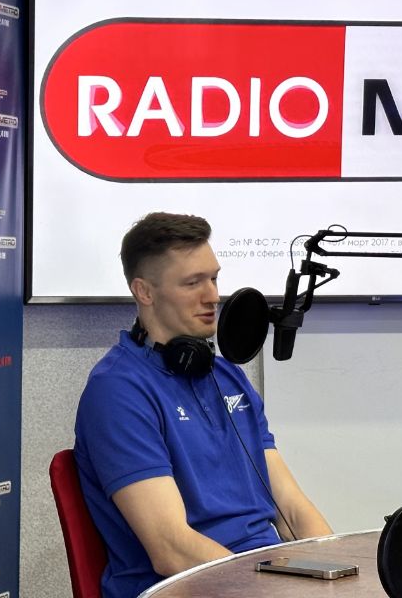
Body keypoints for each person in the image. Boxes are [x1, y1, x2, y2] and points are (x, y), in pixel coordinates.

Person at [74, 212, 332, 598]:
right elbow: (171, 549)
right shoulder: (118, 391)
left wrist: (337, 574)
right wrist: (267, 590)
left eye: (214, 279)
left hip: (260, 578)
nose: (212, 296)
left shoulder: (227, 377)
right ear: (144, 292)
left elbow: (291, 509)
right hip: (184, 586)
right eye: (193, 282)